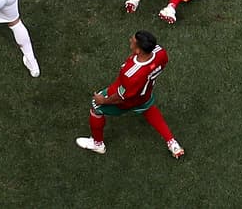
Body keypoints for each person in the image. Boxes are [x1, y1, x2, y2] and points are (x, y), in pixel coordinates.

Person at [75, 30, 185, 159]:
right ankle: (172, 142)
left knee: (96, 107)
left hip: (128, 100)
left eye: (132, 41)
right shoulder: (160, 53)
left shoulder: (131, 74)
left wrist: (103, 101)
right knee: (147, 108)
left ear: (138, 50)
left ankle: (97, 144)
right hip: (145, 94)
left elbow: (121, 97)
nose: (130, 40)